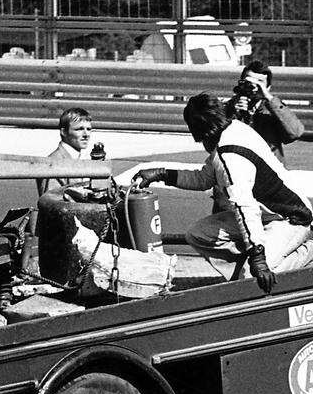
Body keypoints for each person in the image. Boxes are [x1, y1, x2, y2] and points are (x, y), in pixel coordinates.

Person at [132, 92, 313, 294]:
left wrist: (258, 256)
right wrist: (162, 174)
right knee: (199, 235)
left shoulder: (230, 155)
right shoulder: (233, 130)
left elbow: (244, 207)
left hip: (291, 218)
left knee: (254, 276)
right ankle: (240, 277)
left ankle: (306, 253)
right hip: (266, 216)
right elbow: (203, 179)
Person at [228, 60, 303, 162]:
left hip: (269, 171)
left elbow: (295, 133)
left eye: (259, 83)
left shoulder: (274, 110)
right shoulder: (229, 107)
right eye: (249, 82)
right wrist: (233, 114)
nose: (253, 87)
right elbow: (212, 144)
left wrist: (269, 98)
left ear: (268, 87)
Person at [38, 107, 94, 196]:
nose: (86, 134)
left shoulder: (87, 159)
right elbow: (51, 203)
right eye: (79, 129)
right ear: (64, 132)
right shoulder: (53, 163)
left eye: (89, 129)